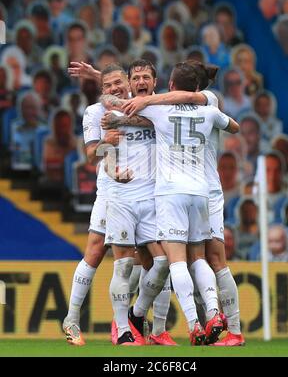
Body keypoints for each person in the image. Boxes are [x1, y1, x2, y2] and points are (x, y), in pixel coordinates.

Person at [121, 61, 245, 346]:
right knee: (203, 258)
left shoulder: (159, 108)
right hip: (204, 192)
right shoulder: (211, 107)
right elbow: (235, 127)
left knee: (179, 260)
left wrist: (142, 101)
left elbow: (125, 111)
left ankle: (195, 323)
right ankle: (218, 317)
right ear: (199, 86)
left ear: (171, 85)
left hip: (171, 193)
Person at [64, 62, 176, 346]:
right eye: (107, 85)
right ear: (102, 89)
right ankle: (74, 320)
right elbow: (92, 156)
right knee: (97, 252)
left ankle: (145, 323)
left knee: (156, 261)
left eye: (118, 83)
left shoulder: (143, 106)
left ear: (127, 83)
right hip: (114, 194)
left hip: (150, 196)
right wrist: (106, 142)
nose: (114, 89)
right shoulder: (95, 112)